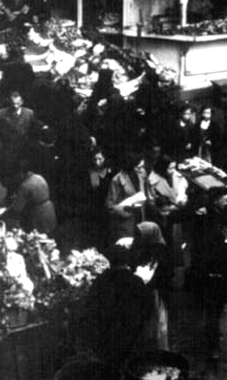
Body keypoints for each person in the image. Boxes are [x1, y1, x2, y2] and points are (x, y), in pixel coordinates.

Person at [71, 244, 155, 375]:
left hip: (106, 341)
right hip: (132, 339)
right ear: (127, 260)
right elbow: (149, 310)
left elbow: (89, 310)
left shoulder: (100, 282)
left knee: (109, 372)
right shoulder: (136, 281)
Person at [194, 186, 227, 361]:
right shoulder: (210, 226)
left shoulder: (219, 214)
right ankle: (212, 345)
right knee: (213, 311)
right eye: (224, 198)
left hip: (221, 275)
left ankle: (212, 336)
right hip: (214, 276)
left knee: (215, 309)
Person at [130, 221, 171, 351]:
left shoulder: (159, 251)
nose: (138, 237)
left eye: (141, 235)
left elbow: (164, 274)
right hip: (147, 289)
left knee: (153, 322)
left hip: (154, 292)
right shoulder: (147, 246)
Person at [0, 91, 44, 190]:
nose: (15, 106)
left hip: (23, 152)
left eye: (17, 103)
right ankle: (9, 196)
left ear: (22, 102)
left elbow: (33, 130)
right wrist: (0, 151)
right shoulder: (1, 114)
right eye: (13, 103)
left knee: (22, 177)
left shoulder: (29, 113)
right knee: (8, 178)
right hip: (7, 152)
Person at [6, 157, 57, 235]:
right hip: (49, 208)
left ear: (20, 173)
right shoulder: (38, 177)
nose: (15, 179)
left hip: (39, 214)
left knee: (40, 239)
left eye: (15, 176)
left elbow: (17, 208)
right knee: (50, 235)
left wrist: (6, 213)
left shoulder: (25, 186)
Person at [106, 153, 147, 243]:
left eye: (142, 167)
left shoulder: (141, 174)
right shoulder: (117, 180)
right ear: (130, 166)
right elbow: (110, 206)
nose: (141, 170)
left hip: (141, 217)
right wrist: (125, 208)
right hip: (126, 222)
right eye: (138, 167)